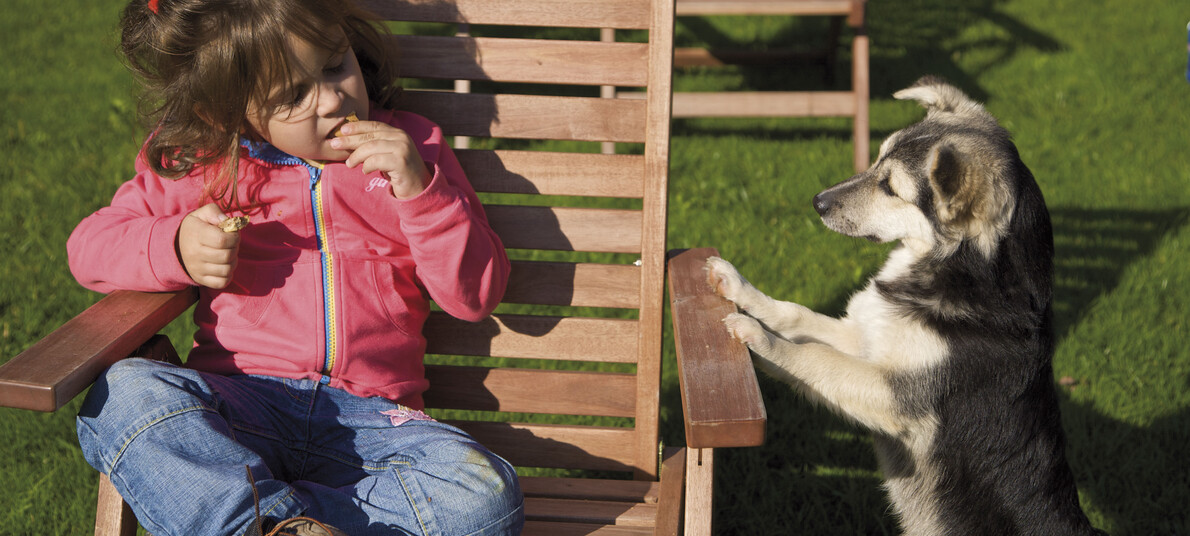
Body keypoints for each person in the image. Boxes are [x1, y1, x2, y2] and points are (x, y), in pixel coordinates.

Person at [66, 0, 522, 534]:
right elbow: (88, 246)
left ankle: (274, 520)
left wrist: (422, 192)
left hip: (376, 426)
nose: (333, 98)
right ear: (233, 112)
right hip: (242, 407)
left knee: (486, 497)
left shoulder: (416, 151)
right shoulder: (210, 164)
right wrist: (176, 247)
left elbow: (475, 296)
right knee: (124, 392)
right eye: (294, 96)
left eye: (335, 64)